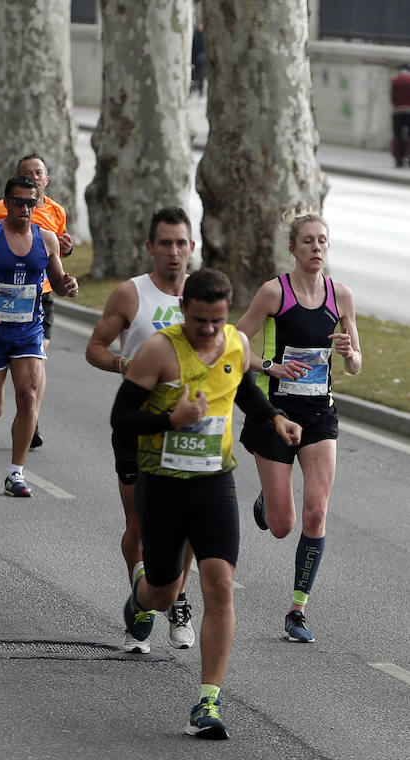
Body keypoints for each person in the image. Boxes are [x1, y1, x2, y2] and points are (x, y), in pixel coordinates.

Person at [110, 268, 302, 739]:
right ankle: (140, 600)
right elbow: (122, 417)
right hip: (163, 485)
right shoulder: (159, 350)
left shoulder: (235, 342)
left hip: (215, 483)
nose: (210, 330)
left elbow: (244, 391)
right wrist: (171, 419)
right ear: (183, 311)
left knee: (219, 583)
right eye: (200, 321)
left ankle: (208, 702)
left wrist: (275, 418)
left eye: (218, 320)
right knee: (163, 593)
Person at [234, 213, 361, 644]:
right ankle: (268, 501)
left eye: (322, 240)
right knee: (282, 524)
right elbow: (235, 343)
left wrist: (349, 353)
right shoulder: (275, 292)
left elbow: (356, 363)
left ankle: (297, 610)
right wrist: (270, 366)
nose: (316, 247)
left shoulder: (341, 296)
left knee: (317, 512)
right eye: (307, 241)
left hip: (319, 414)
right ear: (293, 248)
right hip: (275, 412)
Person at [85, 206, 197, 653]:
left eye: (181, 243)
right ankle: (144, 595)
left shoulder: (203, 296)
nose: (173, 252)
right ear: (150, 247)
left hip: (186, 430)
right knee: (139, 523)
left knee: (188, 525)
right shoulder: (130, 294)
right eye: (165, 243)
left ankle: (177, 597)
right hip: (137, 423)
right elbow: (95, 347)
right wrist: (122, 363)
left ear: (192, 247)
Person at [0, 175, 79, 497]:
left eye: (30, 203)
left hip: (28, 331)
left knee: (28, 395)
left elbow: (57, 282)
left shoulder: (47, 240)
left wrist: (68, 286)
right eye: (18, 202)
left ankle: (15, 474)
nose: (25, 208)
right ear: (6, 202)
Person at [0, 153, 73, 449]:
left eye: (38, 173)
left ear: (47, 179)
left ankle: (31, 418)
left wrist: (66, 250)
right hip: (2, 295)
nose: (33, 177)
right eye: (27, 173)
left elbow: (56, 250)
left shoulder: (57, 211)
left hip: (40, 293)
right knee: (0, 380)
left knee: (38, 355)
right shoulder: (0, 209)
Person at [391, 62, 410, 168]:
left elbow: (393, 97)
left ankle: (399, 159)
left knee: (398, 136)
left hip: (398, 111)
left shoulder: (395, 81)